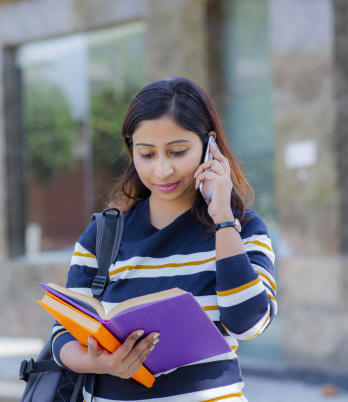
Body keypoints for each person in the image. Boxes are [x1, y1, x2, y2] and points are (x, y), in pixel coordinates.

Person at [50, 77, 277, 401]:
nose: (162, 170)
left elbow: (249, 323)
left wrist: (223, 219)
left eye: (178, 151)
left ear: (208, 146)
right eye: (147, 154)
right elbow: (63, 333)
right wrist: (96, 362)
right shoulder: (102, 236)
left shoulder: (242, 228)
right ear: (131, 150)